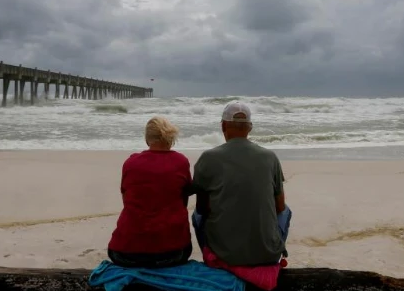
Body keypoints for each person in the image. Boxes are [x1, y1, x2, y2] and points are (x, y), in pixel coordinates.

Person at [191, 101, 291, 267]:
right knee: (286, 211)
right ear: (250, 127)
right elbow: (279, 207)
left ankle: (211, 255)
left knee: (197, 215)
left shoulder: (208, 158)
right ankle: (274, 252)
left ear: (223, 126)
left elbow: (202, 208)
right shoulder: (270, 157)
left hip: (224, 255)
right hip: (266, 256)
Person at [107, 116, 193, 268]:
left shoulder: (131, 163)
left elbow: (126, 199)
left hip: (125, 254)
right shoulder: (180, 162)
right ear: (170, 139)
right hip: (173, 254)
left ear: (147, 140)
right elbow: (183, 200)